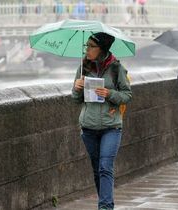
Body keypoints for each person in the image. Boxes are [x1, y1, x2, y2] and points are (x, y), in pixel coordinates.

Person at [72, 32, 132, 210]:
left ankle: (105, 207)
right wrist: (76, 88)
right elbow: (76, 99)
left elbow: (127, 95)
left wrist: (110, 93)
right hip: (88, 127)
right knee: (97, 169)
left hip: (111, 127)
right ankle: (105, 202)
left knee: (105, 167)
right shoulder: (83, 67)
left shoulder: (116, 68)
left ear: (102, 49)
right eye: (87, 46)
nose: (87, 50)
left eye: (91, 46)